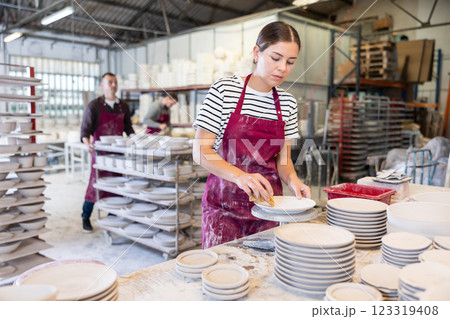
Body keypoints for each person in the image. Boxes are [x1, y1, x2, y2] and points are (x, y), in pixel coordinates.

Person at [193, 21, 311, 249]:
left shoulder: (287, 104)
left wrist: (293, 180)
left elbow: (283, 161)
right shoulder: (225, 91)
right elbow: (200, 151)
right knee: (224, 276)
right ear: (257, 52)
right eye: (275, 58)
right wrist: (239, 175)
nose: (282, 68)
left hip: (268, 207)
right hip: (223, 211)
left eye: (290, 62)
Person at [80, 72, 135, 232]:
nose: (113, 85)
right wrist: (87, 143)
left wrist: (136, 140)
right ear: (102, 85)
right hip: (100, 154)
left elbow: (128, 128)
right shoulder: (94, 105)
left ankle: (112, 217)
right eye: (110, 82)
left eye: (115, 82)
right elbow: (85, 129)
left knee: (117, 186)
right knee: (95, 186)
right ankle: (86, 216)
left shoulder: (122, 106)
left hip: (118, 154)